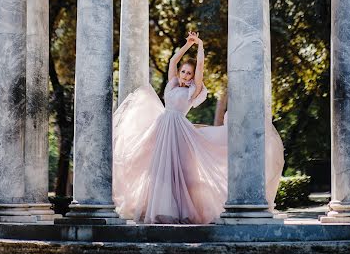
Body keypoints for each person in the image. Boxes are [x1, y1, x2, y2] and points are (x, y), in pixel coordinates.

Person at [113, 32, 283, 224]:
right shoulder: (171, 84)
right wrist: (187, 45)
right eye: (184, 71)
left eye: (189, 73)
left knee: (184, 172)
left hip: (179, 130)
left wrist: (200, 45)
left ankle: (185, 211)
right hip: (161, 128)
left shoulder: (193, 91)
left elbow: (200, 67)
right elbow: (173, 61)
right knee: (159, 170)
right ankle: (157, 209)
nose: (185, 75)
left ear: (193, 77)